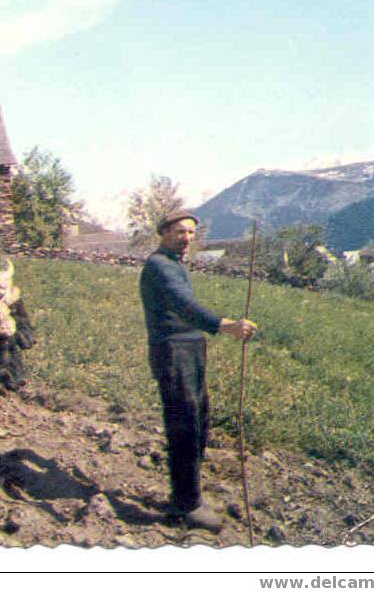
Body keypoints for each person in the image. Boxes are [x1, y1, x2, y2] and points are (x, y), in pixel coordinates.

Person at [138, 209, 257, 533]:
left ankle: (187, 494)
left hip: (190, 348)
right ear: (163, 234)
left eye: (191, 232)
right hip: (173, 351)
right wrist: (225, 325)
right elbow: (182, 305)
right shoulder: (158, 266)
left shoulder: (174, 265)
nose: (187, 238)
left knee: (198, 422)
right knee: (185, 426)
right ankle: (187, 505)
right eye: (180, 232)